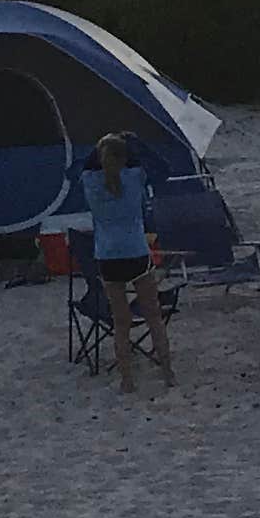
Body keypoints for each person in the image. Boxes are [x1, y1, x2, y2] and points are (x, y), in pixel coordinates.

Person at [75, 132, 174, 392]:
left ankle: (127, 380)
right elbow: (164, 169)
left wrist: (98, 148)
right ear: (125, 158)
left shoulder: (90, 181)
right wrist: (135, 142)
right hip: (136, 252)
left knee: (121, 323)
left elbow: (74, 169)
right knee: (153, 315)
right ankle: (168, 372)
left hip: (108, 256)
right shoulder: (134, 177)